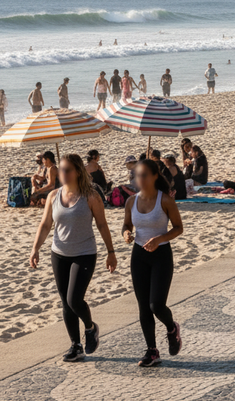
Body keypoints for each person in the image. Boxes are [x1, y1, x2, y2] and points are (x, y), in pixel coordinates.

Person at [29, 154, 116, 362]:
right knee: (65, 303)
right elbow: (45, 225)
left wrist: (111, 252)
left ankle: (90, 327)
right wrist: (35, 249)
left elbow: (102, 225)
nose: (63, 173)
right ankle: (75, 345)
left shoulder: (91, 196)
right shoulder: (53, 196)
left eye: (67, 170)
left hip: (85, 254)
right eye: (61, 170)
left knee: (74, 299)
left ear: (78, 172)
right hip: (59, 254)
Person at [122, 159, 184, 367]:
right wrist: (127, 234)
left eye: (144, 175)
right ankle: (152, 350)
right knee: (143, 307)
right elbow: (126, 225)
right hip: (138, 255)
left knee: (156, 304)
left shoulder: (165, 200)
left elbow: (178, 228)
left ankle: (171, 327)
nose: (140, 179)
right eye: (137, 175)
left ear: (155, 176)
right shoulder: (131, 202)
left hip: (161, 255)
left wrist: (159, 239)